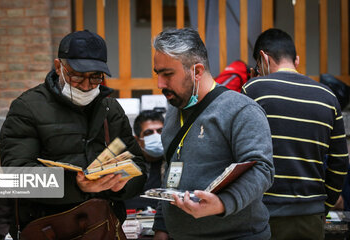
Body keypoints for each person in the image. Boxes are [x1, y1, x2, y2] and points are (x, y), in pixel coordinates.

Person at [0, 30, 147, 239]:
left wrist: (121, 184)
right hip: (49, 230)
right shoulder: (27, 108)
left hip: (100, 228)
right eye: (77, 76)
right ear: (59, 67)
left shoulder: (110, 109)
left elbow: (139, 166)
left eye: (95, 77)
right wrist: (76, 185)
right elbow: (13, 181)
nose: (86, 86)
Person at [152, 28, 274, 240]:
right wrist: (161, 226)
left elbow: (262, 170)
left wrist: (222, 203)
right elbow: (171, 171)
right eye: (158, 74)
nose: (160, 84)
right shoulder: (173, 110)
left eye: (168, 74)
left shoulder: (241, 110)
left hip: (238, 235)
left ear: (197, 71)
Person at [242, 28, 349, 240]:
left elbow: (238, 154)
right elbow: (340, 162)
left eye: (257, 67)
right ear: (296, 60)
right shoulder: (328, 97)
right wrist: (323, 205)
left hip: (262, 215)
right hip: (311, 217)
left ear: (263, 58)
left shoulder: (252, 90)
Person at [125, 110, 165, 210]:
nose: (156, 136)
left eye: (160, 131)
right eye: (149, 133)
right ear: (138, 140)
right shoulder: (127, 165)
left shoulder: (175, 161)